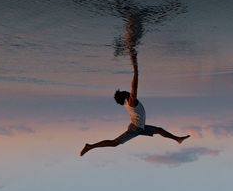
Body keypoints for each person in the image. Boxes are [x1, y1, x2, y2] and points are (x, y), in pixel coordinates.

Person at [80, 17, 189, 156]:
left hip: (139, 127)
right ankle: (90, 146)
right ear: (125, 95)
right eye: (126, 92)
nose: (128, 91)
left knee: (160, 130)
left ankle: (177, 139)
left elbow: (132, 91)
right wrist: (136, 70)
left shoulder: (128, 102)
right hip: (136, 129)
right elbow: (134, 88)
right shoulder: (130, 101)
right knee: (115, 143)